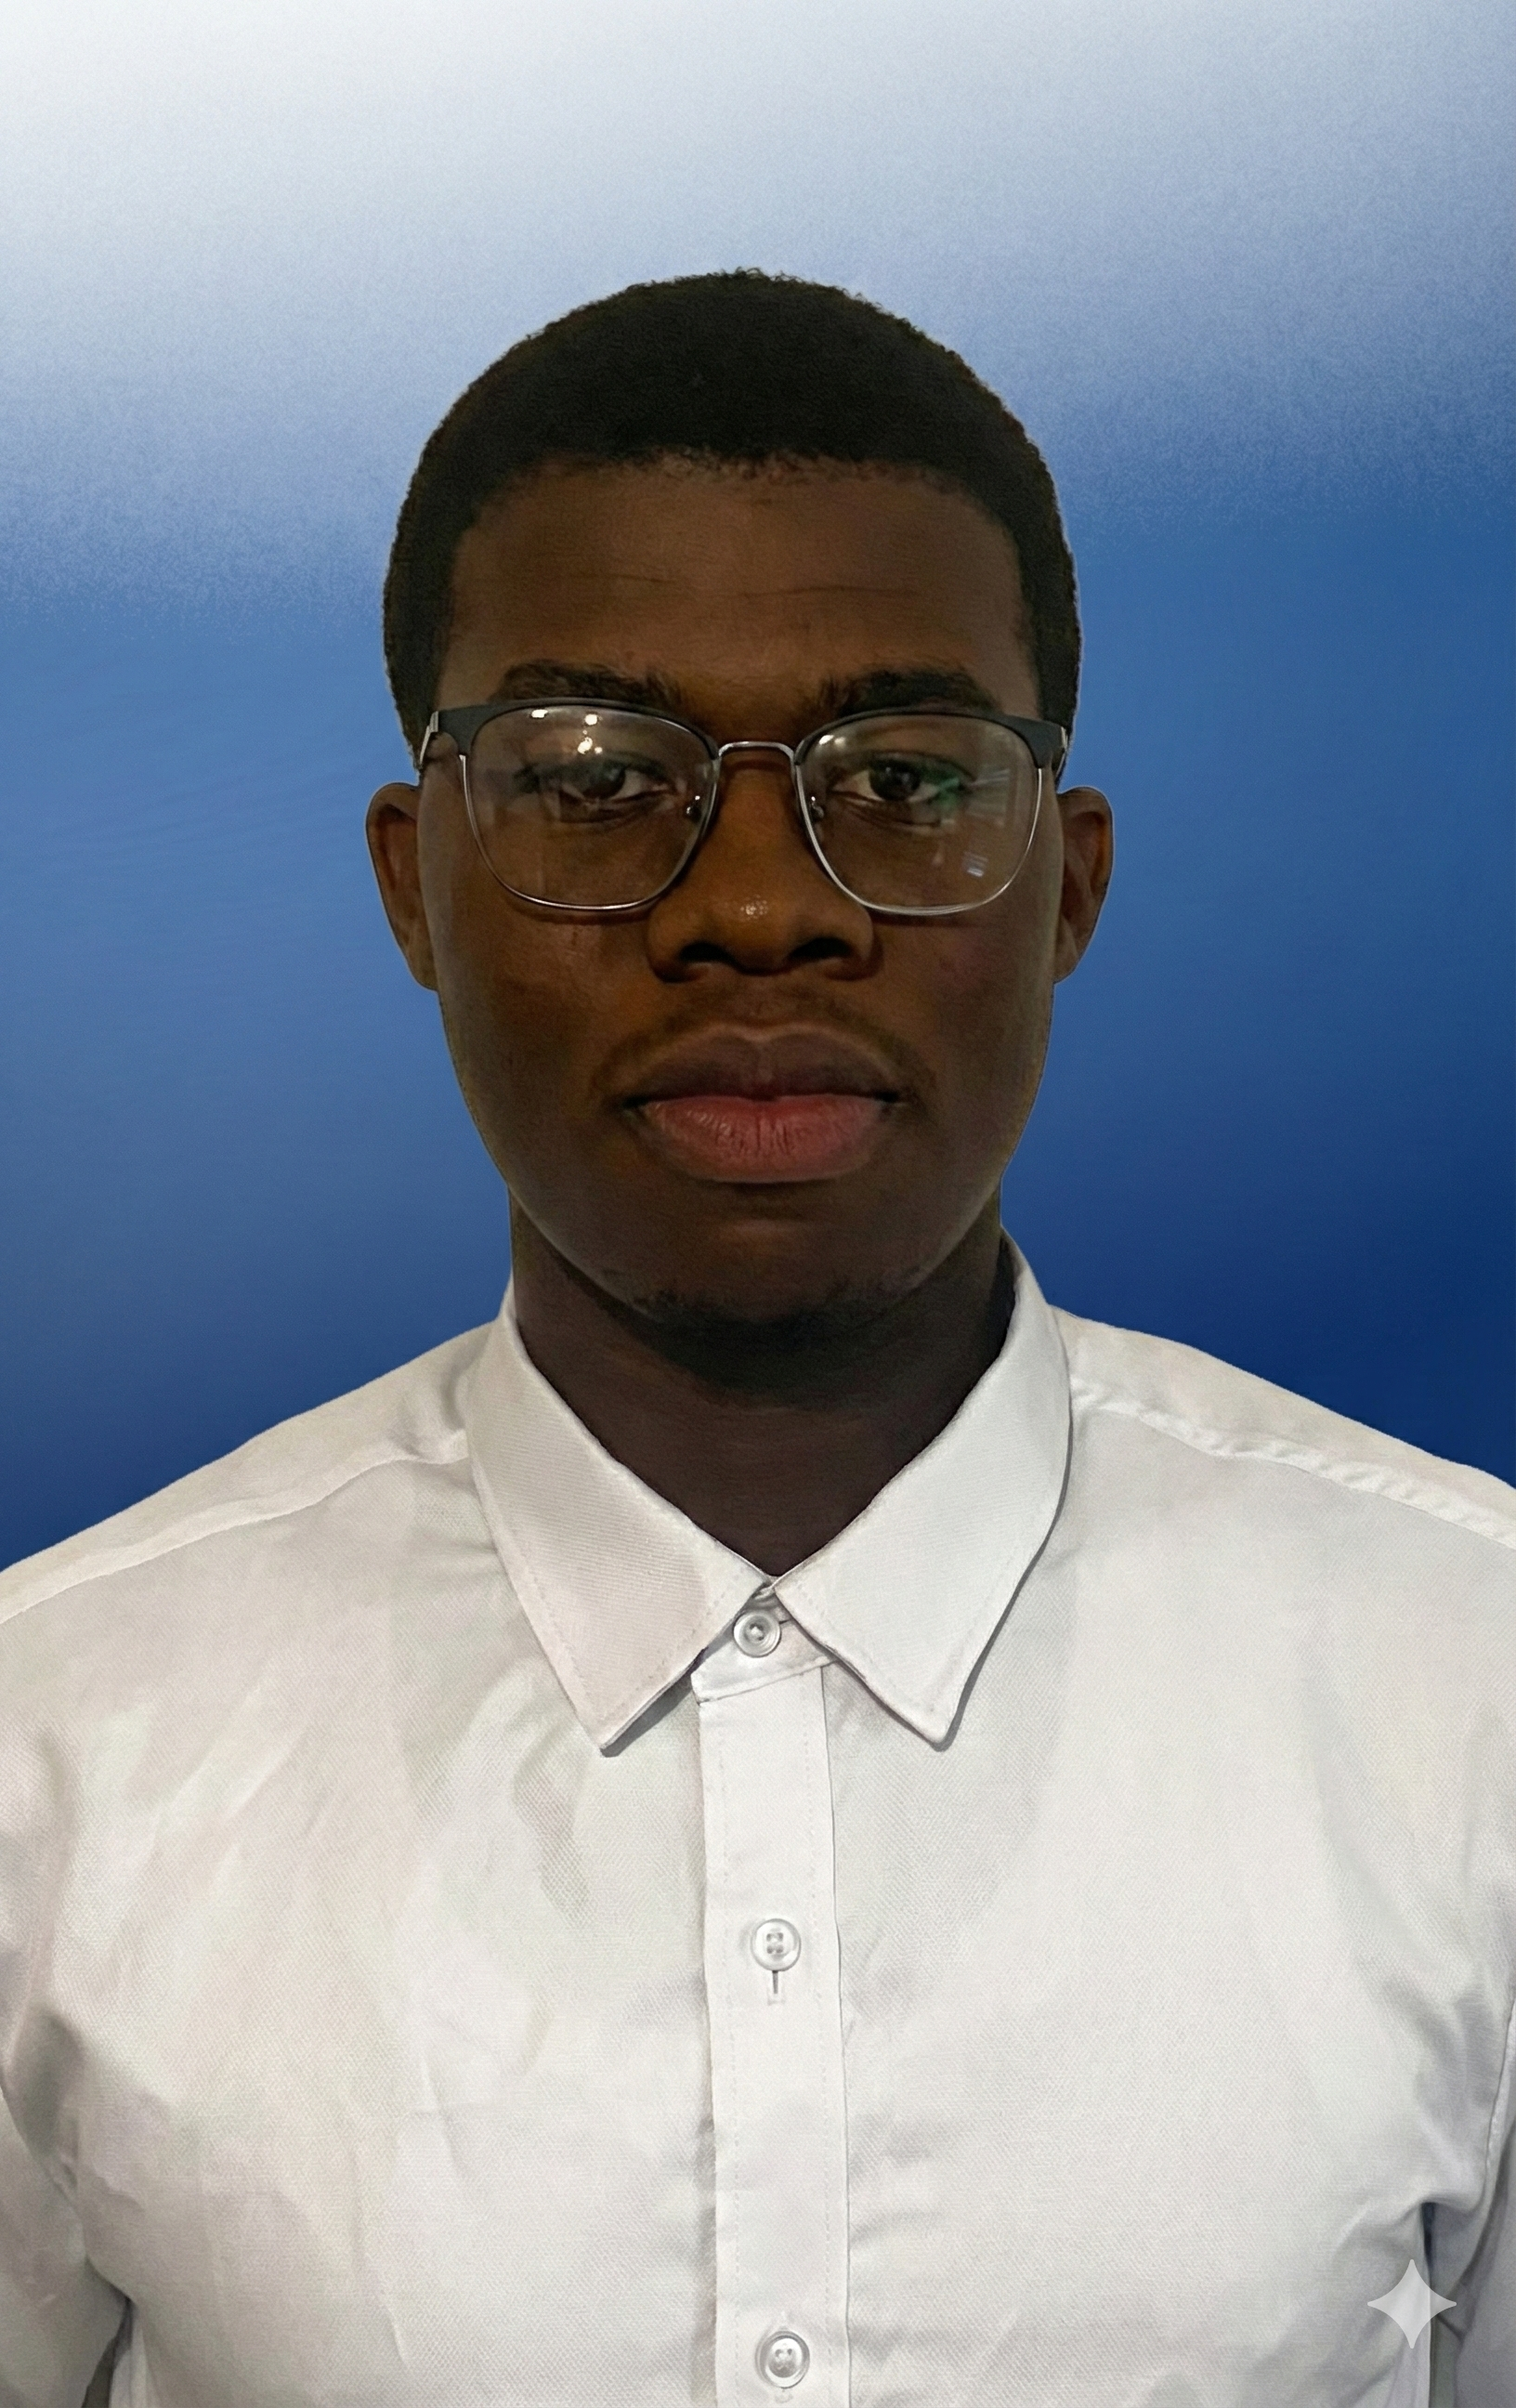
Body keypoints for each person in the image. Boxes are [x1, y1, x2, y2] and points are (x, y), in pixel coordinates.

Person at [1, 271, 1510, 2408]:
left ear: (1065, 889)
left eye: (900, 778)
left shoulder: (1472, 1698)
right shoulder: (52, 1756)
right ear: (412, 884)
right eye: (598, 778)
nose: (757, 904)